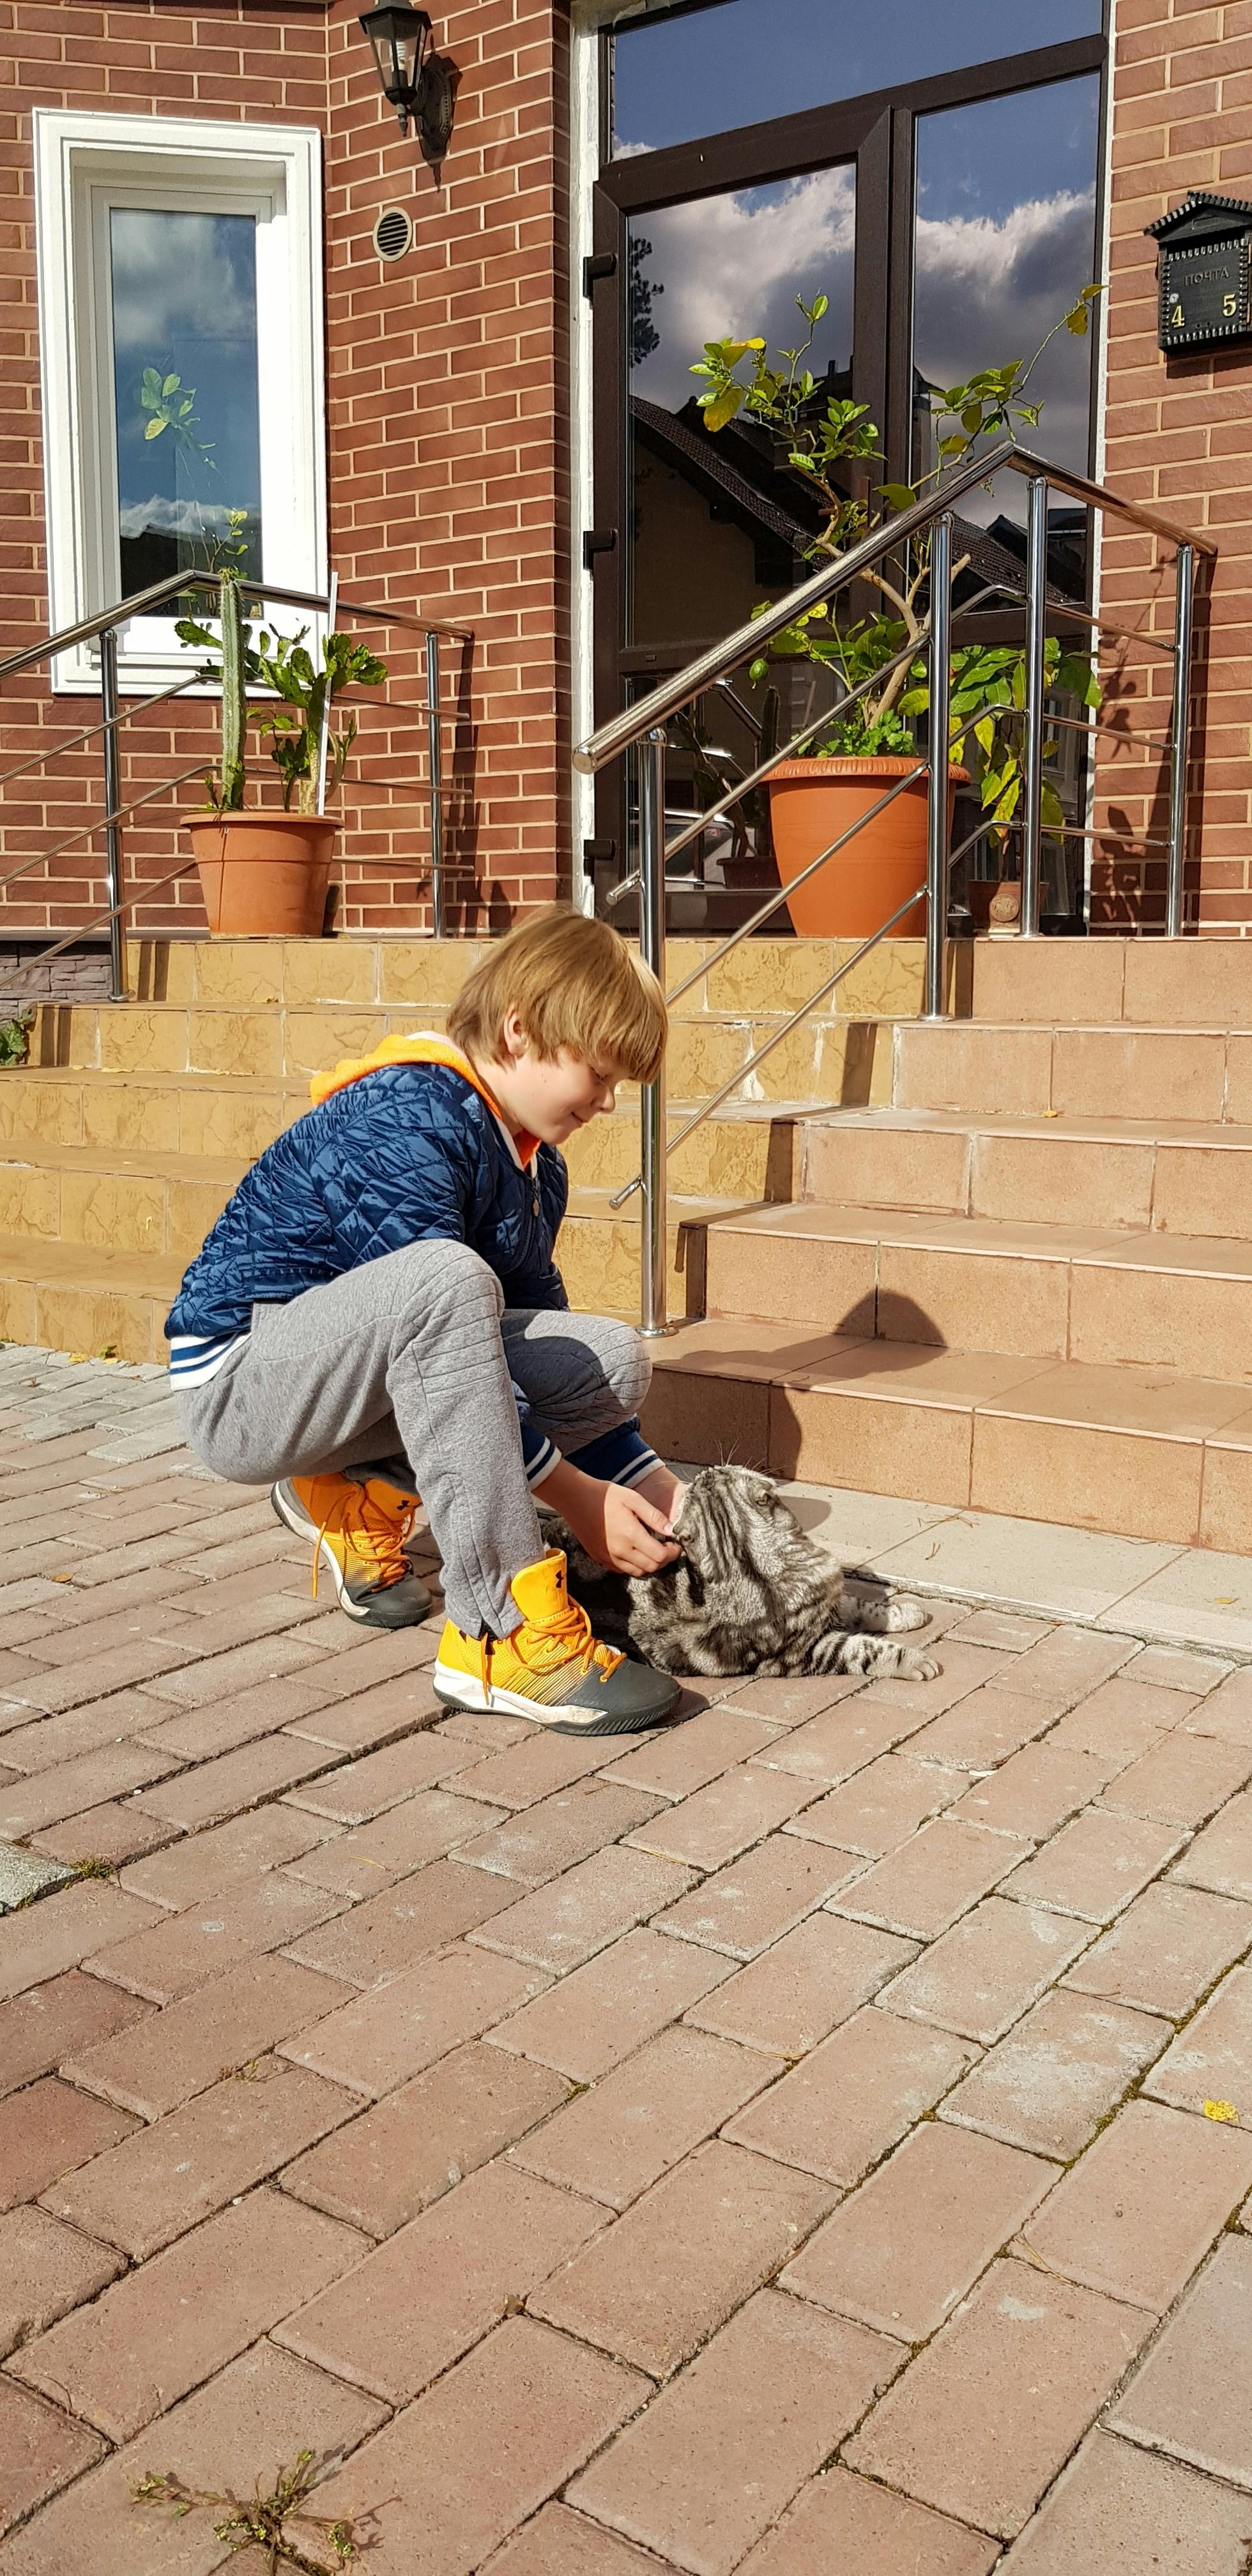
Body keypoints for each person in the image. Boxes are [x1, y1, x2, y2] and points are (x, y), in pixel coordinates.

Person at [165, 906, 684, 1736]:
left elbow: (526, 1361)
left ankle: (345, 1484)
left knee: (607, 1356)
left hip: (355, 1381)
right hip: (243, 1385)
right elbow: (435, 1314)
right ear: (519, 1032)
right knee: (446, 1282)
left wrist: (655, 1491)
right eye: (602, 1073)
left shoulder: (534, 1166)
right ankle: (497, 1637)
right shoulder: (402, 1116)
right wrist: (580, 1499)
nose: (611, 1104)